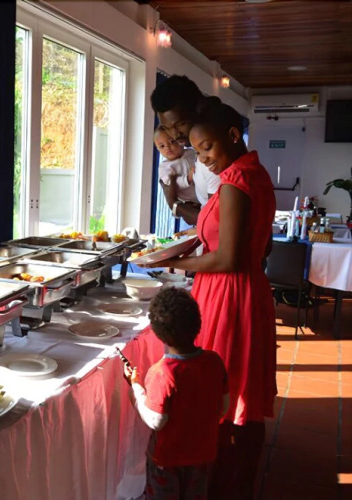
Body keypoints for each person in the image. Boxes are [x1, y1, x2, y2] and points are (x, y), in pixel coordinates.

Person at [147, 99, 277, 499]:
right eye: (198, 150)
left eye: (207, 149)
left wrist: (175, 263)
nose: (203, 159)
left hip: (229, 295)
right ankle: (237, 481)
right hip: (244, 288)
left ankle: (225, 483)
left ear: (233, 136)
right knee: (241, 393)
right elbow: (262, 247)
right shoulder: (253, 172)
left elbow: (227, 258)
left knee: (226, 391)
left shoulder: (236, 180)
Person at [124, 287, 229, 500]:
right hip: (202, 456)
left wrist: (136, 390)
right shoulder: (214, 362)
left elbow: (156, 421)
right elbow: (223, 408)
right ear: (197, 324)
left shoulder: (161, 373)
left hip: (167, 460)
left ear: (158, 332)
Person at [150, 75, 222, 226]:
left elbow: (214, 223)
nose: (175, 134)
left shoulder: (214, 159)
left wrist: (173, 203)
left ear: (198, 110)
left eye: (181, 124)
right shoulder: (195, 154)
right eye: (167, 128)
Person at [154, 125, 199, 218]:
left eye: (171, 141)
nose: (167, 147)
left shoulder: (190, 152)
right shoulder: (165, 167)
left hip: (205, 190)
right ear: (158, 149)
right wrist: (187, 179)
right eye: (162, 146)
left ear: (180, 141)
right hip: (192, 201)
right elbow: (171, 183)